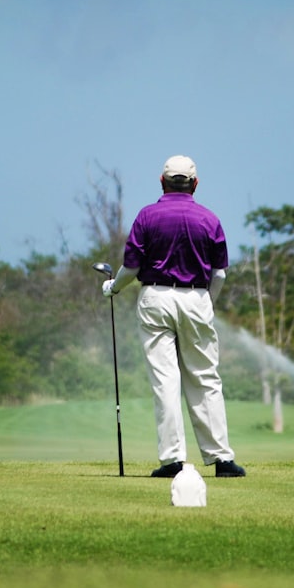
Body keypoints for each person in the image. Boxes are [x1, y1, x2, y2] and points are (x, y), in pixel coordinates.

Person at [100, 155, 246, 478]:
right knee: (205, 378)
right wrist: (207, 302)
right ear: (195, 184)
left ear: (162, 182)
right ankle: (222, 460)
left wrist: (113, 287)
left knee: (166, 381)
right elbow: (219, 274)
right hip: (197, 296)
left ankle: (173, 461)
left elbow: (132, 268)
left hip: (155, 297)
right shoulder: (209, 218)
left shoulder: (147, 216)